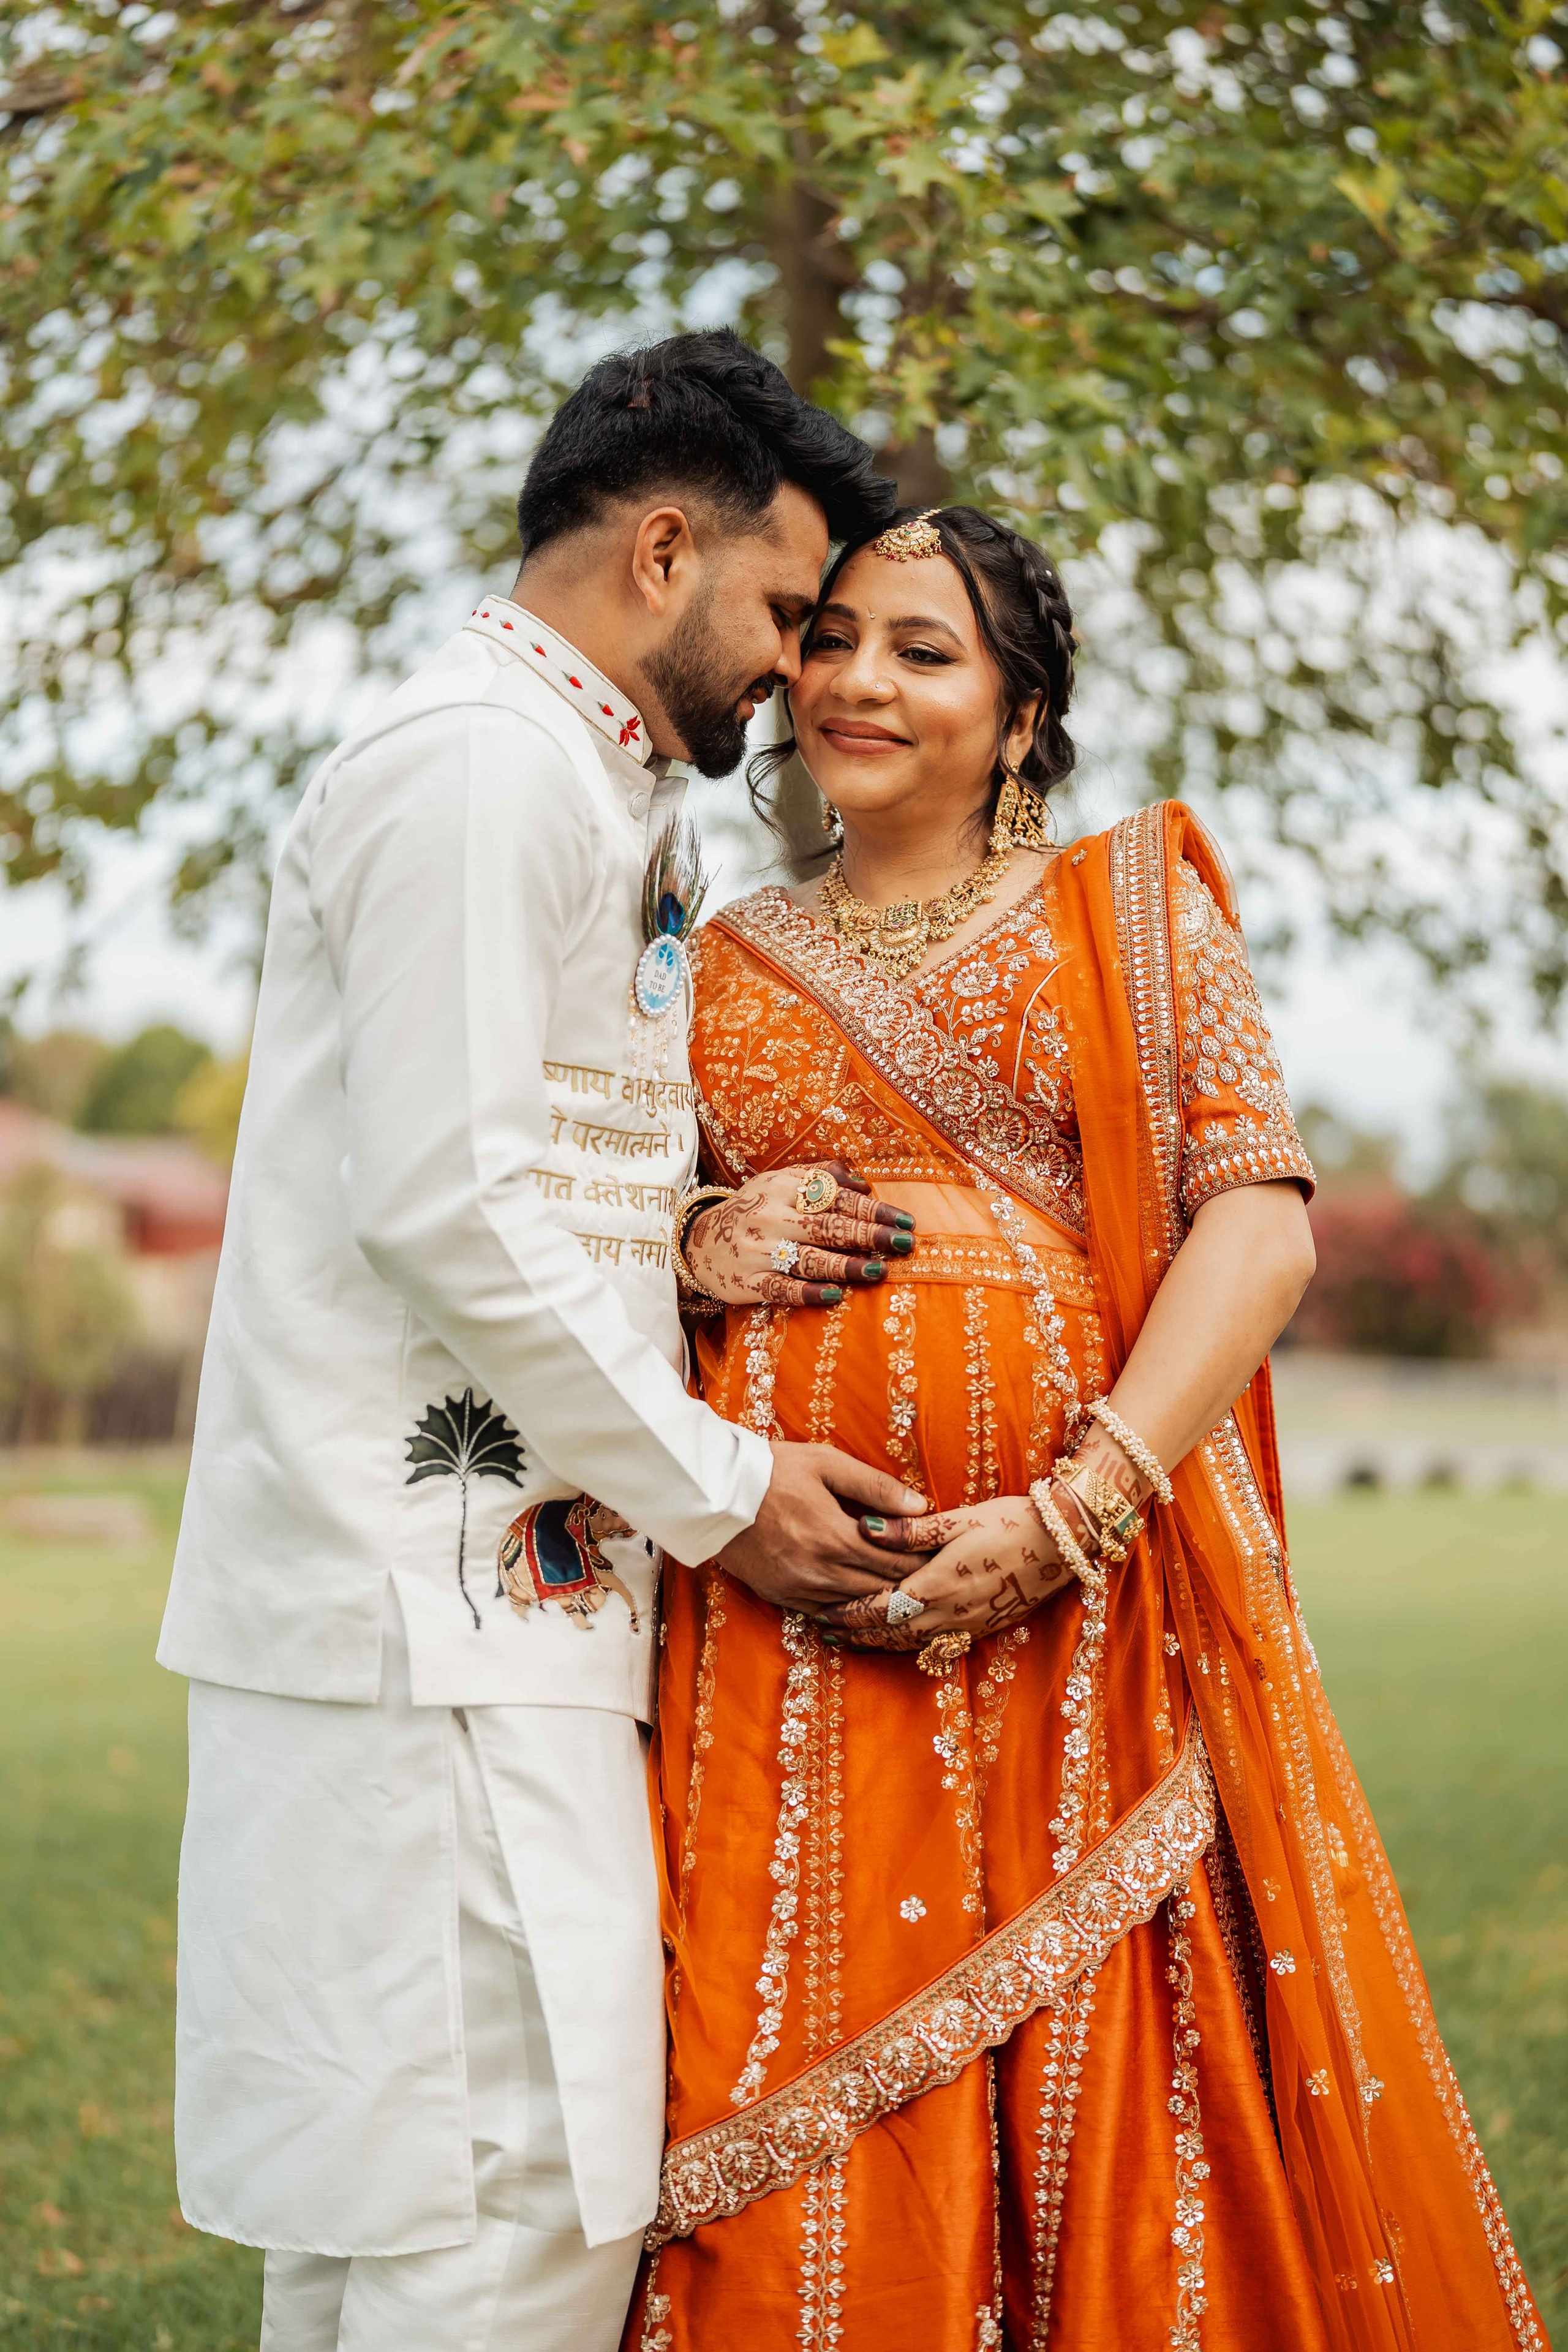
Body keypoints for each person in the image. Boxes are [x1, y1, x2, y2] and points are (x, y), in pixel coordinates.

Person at [628, 505, 1546, 2350]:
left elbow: (1258, 1225)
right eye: (833, 638)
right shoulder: (710, 958)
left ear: (1024, 717)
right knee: (781, 2071)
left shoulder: (1126, 913)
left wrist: (1073, 1511)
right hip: (780, 1627)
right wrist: (699, 1236)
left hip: (1085, 1627)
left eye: (926, 651)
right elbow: (595, 1230)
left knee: (1114, 2083)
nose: (857, 681)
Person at [156, 331, 931, 2352]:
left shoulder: (597, 784)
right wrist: (729, 1493)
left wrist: (691, 1237)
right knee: (508, 2212)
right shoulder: (480, 769)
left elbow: (507, 1163)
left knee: (433, 2222)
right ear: (663, 549)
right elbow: (444, 1203)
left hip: (493, 1620)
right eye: (787, 610)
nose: (797, 671)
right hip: (422, 1628)